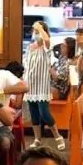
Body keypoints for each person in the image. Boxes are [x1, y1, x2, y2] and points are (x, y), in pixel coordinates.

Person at [23, 21, 65, 151]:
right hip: (30, 84)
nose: (35, 34)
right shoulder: (30, 48)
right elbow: (27, 66)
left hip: (42, 85)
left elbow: (46, 40)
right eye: (34, 32)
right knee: (33, 113)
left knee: (45, 113)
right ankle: (37, 138)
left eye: (38, 32)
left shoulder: (46, 48)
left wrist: (40, 28)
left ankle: (57, 136)